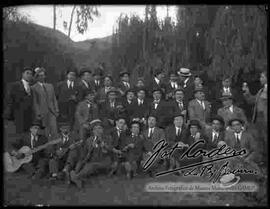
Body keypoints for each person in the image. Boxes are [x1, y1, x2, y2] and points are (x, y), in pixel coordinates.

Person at [70, 119, 113, 189]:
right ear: (92, 131)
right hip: (91, 161)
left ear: (102, 129)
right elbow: (85, 155)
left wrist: (104, 146)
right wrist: (91, 148)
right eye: (95, 129)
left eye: (99, 128)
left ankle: (75, 177)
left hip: (104, 161)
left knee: (91, 165)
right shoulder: (89, 140)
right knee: (83, 162)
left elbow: (110, 151)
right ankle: (76, 175)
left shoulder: (108, 138)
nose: (97, 130)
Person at [242, 70, 267, 163]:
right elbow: (252, 101)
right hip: (259, 120)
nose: (260, 79)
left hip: (265, 119)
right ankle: (263, 160)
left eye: (262, 77)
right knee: (260, 140)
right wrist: (247, 92)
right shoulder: (261, 91)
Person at [4, 67, 34, 134]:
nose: (29, 75)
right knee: (18, 135)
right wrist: (8, 114)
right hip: (17, 115)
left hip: (29, 116)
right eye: (27, 73)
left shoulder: (32, 87)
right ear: (22, 74)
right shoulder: (14, 85)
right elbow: (9, 100)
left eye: (31, 74)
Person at [31, 67, 59, 140]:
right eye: (40, 75)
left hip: (52, 112)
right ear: (37, 77)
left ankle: (56, 147)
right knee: (46, 131)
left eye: (43, 75)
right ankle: (48, 148)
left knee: (54, 130)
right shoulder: (34, 88)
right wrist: (38, 114)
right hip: (43, 112)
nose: (42, 77)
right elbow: (35, 102)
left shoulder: (50, 86)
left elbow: (54, 99)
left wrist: (56, 110)